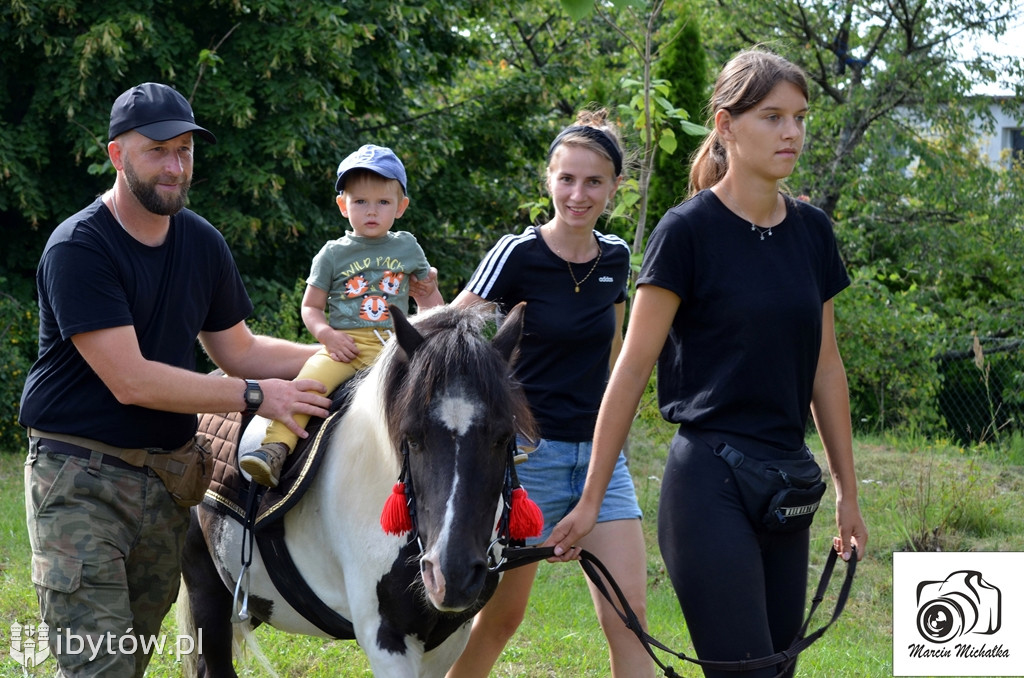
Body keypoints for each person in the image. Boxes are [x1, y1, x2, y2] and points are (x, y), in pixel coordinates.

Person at [546, 49, 869, 678]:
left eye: (799, 118)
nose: (792, 133)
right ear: (725, 125)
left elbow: (826, 368)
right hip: (709, 484)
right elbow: (632, 370)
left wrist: (848, 494)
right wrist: (589, 502)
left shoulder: (812, 233)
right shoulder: (686, 232)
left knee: (776, 673)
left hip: (787, 483)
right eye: (773, 117)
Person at [19, 82, 334, 677]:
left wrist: (344, 356)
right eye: (158, 150)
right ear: (117, 155)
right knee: (99, 669)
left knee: (127, 661)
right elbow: (131, 380)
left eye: (185, 150)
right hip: (78, 480)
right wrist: (255, 396)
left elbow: (240, 349)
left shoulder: (200, 241)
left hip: (164, 483)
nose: (175, 165)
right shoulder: (79, 247)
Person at [447, 109, 655, 678]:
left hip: (601, 464)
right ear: (549, 179)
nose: (578, 193)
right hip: (525, 461)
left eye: (593, 181)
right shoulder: (517, 253)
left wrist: (610, 443)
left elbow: (616, 357)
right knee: (498, 619)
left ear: (614, 188)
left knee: (630, 616)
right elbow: (449, 332)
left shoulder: (616, 258)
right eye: (566, 178)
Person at [241, 144, 443, 487]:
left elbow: (431, 304)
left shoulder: (408, 247)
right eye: (360, 201)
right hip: (345, 344)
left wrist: (429, 304)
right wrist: (327, 336)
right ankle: (275, 448)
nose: (371, 211)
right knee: (309, 386)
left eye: (383, 202)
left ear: (401, 207)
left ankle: (488, 444)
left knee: (446, 380)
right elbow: (310, 307)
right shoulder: (332, 254)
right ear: (342, 205)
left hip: (397, 343)